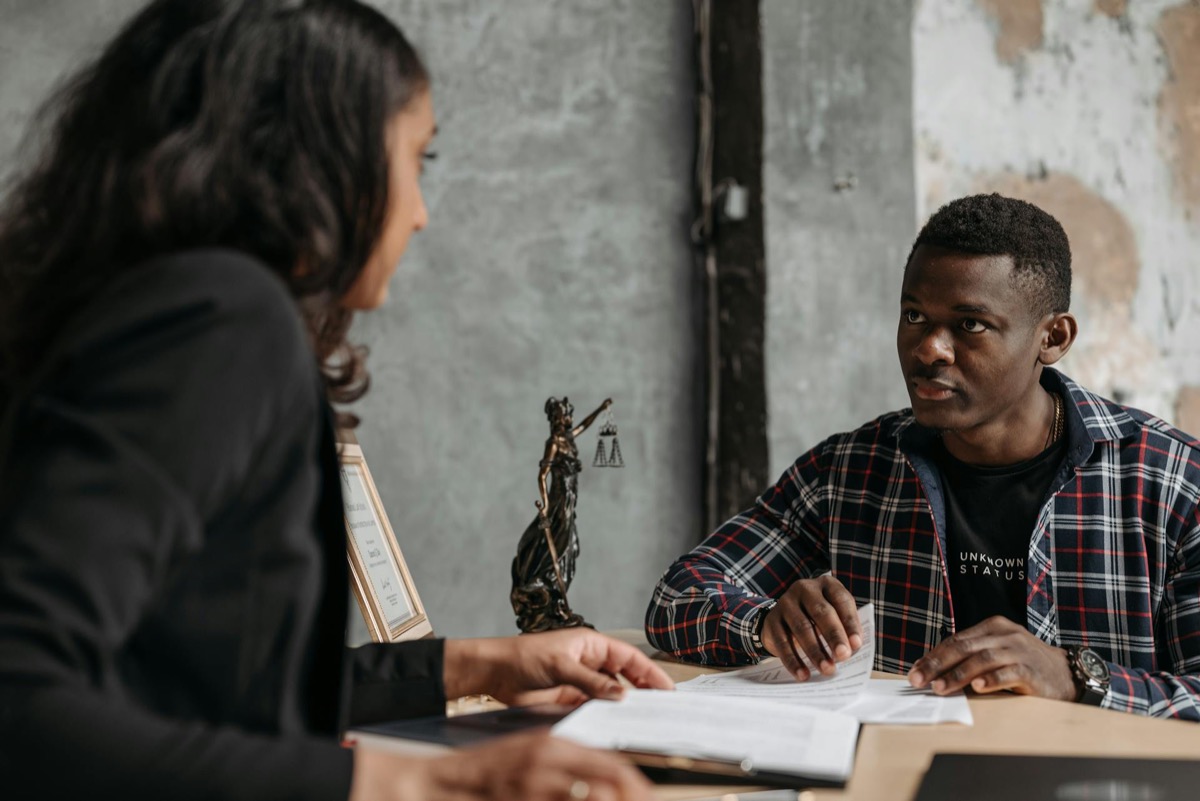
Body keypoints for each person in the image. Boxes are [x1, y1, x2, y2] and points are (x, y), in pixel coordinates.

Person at [0, 2, 672, 800]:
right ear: (321, 156)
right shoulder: (223, 318)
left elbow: (205, 690)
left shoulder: (155, 308)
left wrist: (478, 664)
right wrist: (420, 786)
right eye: (418, 159)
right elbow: (21, 698)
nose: (420, 213)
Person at [646, 193, 1200, 720]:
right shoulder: (847, 473)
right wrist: (765, 623)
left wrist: (1077, 677)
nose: (928, 348)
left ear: (1052, 337)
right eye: (914, 316)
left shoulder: (1175, 485)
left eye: (970, 325)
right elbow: (678, 597)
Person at [511, 397, 610, 632]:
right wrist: (545, 504)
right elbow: (542, 474)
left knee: (571, 548)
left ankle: (556, 599)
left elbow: (584, 425)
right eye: (567, 414)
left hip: (571, 499)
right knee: (561, 543)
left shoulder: (568, 437)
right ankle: (544, 589)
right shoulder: (554, 442)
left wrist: (601, 409)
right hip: (559, 499)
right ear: (558, 417)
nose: (570, 418)